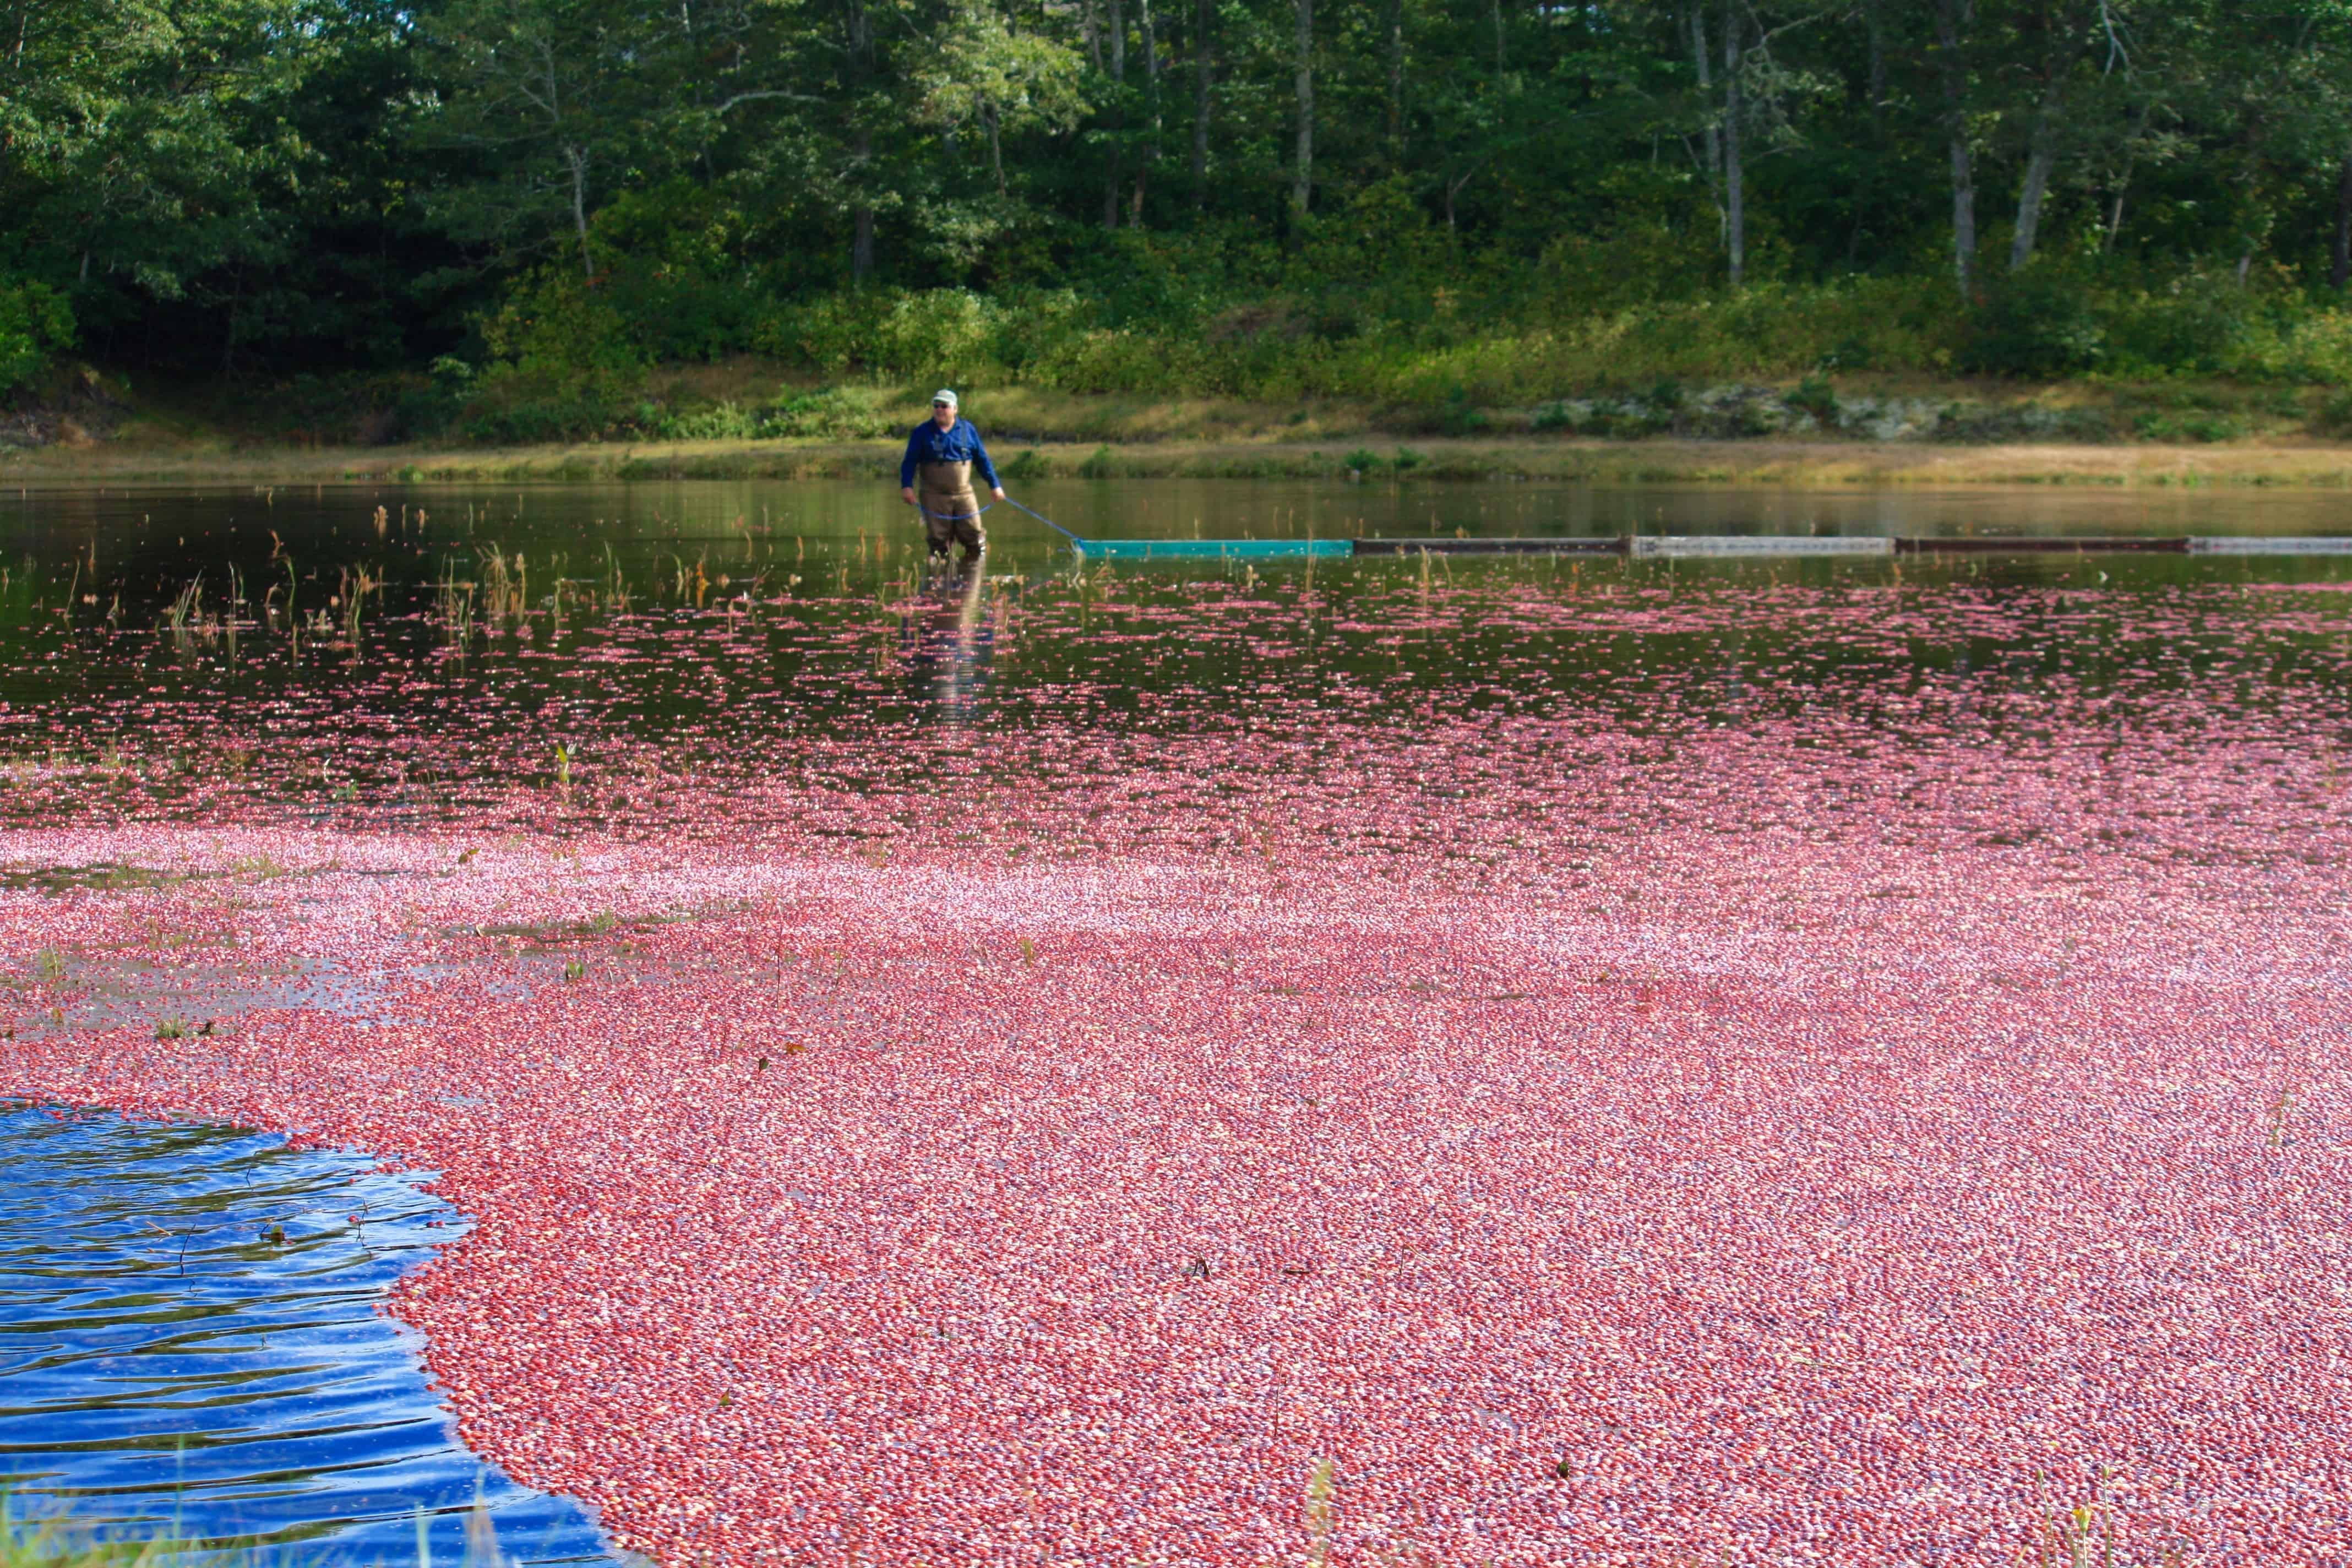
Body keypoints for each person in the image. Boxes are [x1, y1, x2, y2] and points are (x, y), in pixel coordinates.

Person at [899, 389, 1004, 564]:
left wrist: (995, 486)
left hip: (964, 495)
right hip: (933, 495)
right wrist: (907, 487)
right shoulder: (921, 432)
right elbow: (909, 462)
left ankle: (972, 577)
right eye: (936, 406)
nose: (940, 410)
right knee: (938, 541)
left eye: (944, 406)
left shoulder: (968, 430)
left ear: (955, 409)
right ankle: (939, 583)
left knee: (973, 535)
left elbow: (982, 460)